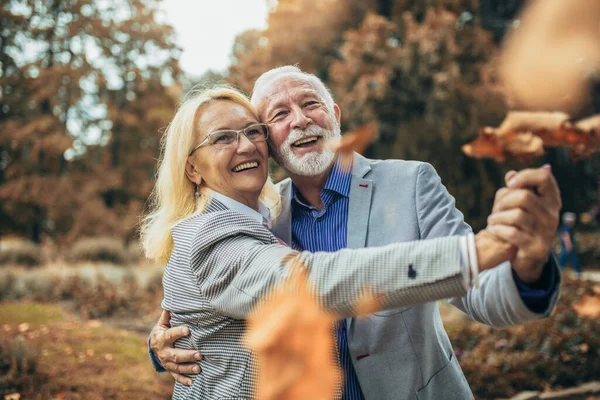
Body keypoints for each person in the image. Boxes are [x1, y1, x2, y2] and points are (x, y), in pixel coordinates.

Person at [149, 67, 562, 400]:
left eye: (311, 104)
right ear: (271, 144)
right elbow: (238, 296)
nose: (300, 119)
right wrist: (161, 343)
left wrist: (527, 264)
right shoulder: (263, 216)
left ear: (336, 116)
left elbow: (486, 296)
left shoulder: (411, 183)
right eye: (277, 115)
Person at [558, 212, 582, 278]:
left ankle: (559, 271)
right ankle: (578, 272)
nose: (574, 221)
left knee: (563, 260)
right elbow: (566, 236)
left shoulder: (564, 227)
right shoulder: (567, 227)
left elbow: (562, 236)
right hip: (567, 246)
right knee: (573, 259)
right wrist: (568, 245)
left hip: (565, 246)